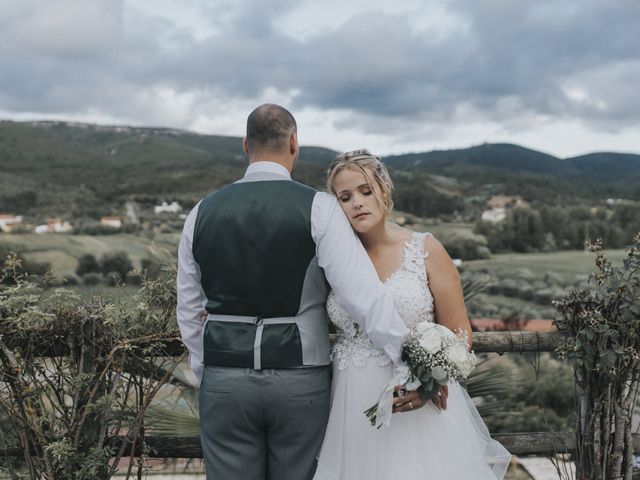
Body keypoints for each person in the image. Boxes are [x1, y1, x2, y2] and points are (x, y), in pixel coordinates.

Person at [176, 105, 413, 480]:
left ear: (245, 146)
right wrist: (410, 358)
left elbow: (188, 309)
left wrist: (208, 372)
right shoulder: (319, 208)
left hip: (225, 376)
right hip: (300, 378)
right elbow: (363, 295)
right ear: (294, 143)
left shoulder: (200, 213)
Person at [314, 149, 511, 480]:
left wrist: (429, 382)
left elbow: (460, 333)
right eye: (345, 197)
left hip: (412, 403)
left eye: (365, 191)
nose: (357, 203)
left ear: (384, 190)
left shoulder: (425, 249)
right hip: (349, 402)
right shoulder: (334, 260)